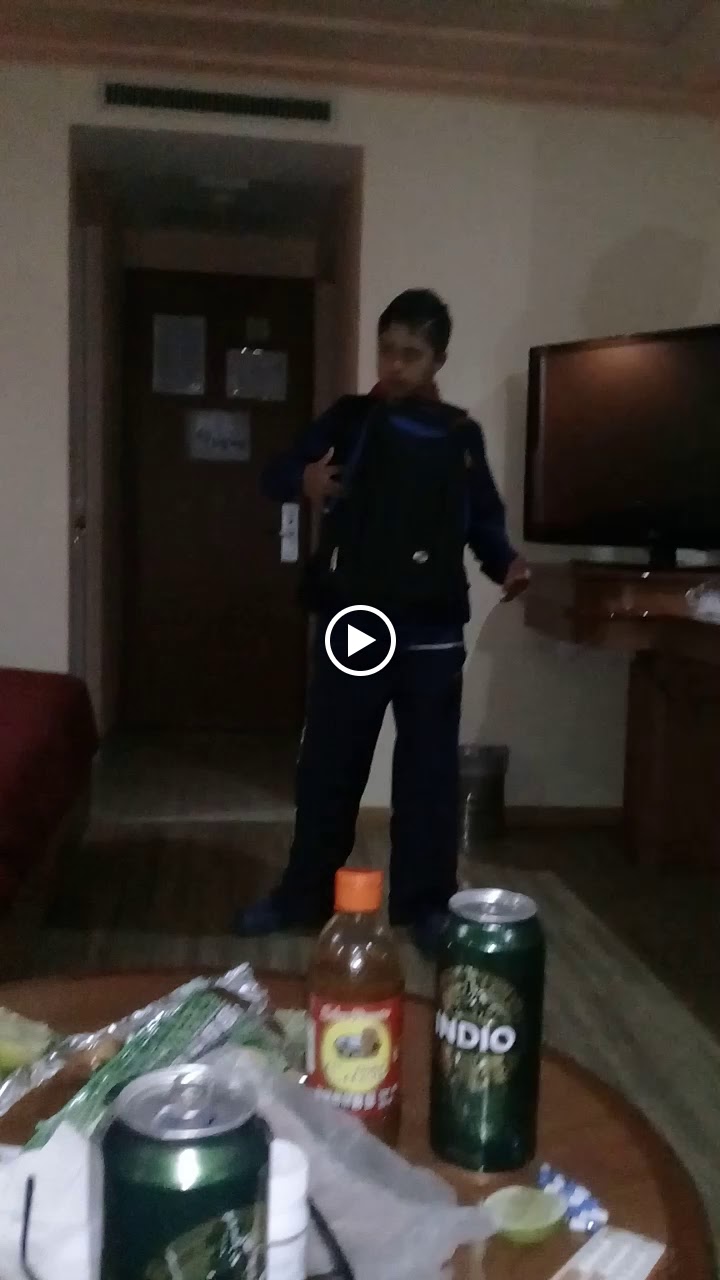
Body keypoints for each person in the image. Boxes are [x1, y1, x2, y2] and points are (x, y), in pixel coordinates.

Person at [234, 289, 529, 954]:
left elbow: (482, 521)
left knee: (428, 777)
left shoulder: (460, 435)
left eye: (411, 354)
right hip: (356, 622)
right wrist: (304, 482)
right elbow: (275, 473)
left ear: (438, 360)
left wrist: (507, 565)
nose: (395, 365)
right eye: (387, 350)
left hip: (433, 628)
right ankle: (302, 896)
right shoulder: (348, 419)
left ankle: (425, 907)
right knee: (329, 766)